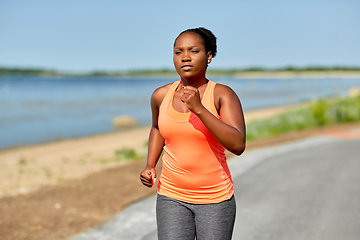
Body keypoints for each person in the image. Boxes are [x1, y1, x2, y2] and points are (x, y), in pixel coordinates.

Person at [140, 27, 246, 240]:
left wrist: (199, 109)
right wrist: (150, 165)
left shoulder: (222, 94)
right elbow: (158, 128)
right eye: (178, 52)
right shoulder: (161, 96)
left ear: (208, 57)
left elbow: (238, 144)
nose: (185, 57)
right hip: (171, 196)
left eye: (193, 51)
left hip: (215, 199)